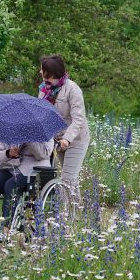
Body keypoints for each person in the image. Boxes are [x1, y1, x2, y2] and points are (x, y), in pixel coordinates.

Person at [38, 54, 90, 205]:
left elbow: (78, 119)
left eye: (43, 70)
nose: (40, 73)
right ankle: (76, 212)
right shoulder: (44, 90)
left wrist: (67, 139)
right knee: (68, 178)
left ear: (52, 73)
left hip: (76, 140)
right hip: (57, 140)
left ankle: (71, 217)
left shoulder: (73, 90)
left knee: (68, 178)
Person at [0, 140, 54, 237]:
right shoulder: (9, 130)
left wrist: (28, 139)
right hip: (12, 168)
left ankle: (6, 227)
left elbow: (42, 155)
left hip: (34, 170)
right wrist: (8, 153)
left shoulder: (45, 133)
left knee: (11, 184)